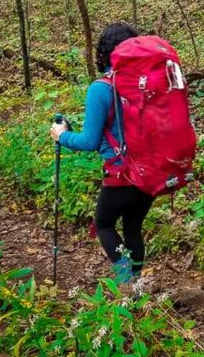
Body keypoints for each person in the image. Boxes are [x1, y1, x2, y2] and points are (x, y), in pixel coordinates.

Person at [49, 22, 154, 284]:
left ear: (104, 52)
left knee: (105, 225)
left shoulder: (101, 88)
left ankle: (127, 283)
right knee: (132, 227)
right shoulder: (145, 83)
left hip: (120, 174)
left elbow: (89, 142)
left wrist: (62, 136)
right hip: (150, 172)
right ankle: (137, 281)